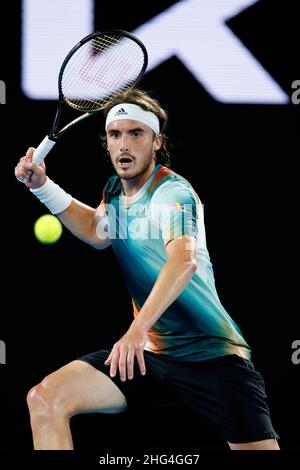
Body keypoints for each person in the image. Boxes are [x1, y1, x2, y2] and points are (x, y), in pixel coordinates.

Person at [15, 89, 279, 450]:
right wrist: (42, 186)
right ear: (106, 143)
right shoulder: (114, 191)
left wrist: (138, 329)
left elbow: (183, 260)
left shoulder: (174, 194)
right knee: (45, 398)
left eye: (136, 134)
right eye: (115, 134)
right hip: (151, 358)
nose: (124, 144)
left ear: (156, 142)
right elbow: (97, 230)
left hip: (212, 357)